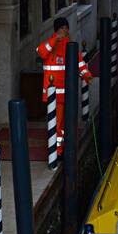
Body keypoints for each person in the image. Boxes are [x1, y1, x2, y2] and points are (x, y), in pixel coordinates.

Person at [37, 17, 71, 148]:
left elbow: (78, 61)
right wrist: (55, 39)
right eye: (63, 28)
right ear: (57, 30)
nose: (66, 30)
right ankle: (57, 151)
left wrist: (87, 76)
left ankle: (60, 149)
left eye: (67, 28)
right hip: (53, 93)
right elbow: (41, 52)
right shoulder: (50, 44)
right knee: (56, 123)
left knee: (62, 124)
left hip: (65, 93)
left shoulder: (69, 45)